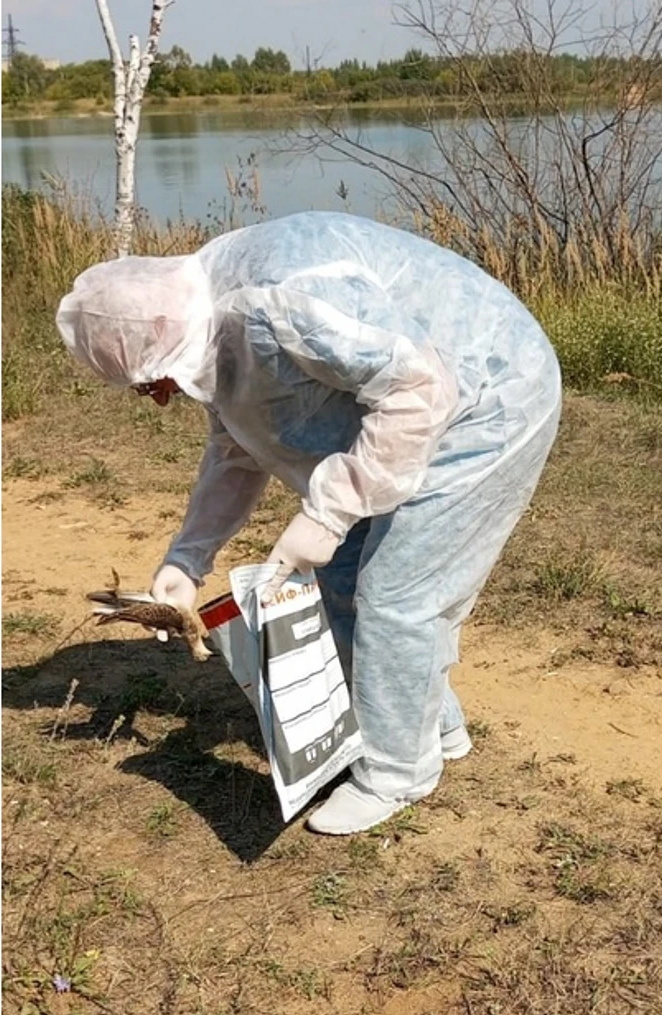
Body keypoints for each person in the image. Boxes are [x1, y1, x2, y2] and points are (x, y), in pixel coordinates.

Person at [56, 212, 563, 835]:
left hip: (489, 396)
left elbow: (419, 391)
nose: (157, 398)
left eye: (152, 382)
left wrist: (328, 512)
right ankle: (433, 727)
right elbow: (236, 446)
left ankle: (397, 773)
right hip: (407, 412)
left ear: (166, 340)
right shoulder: (211, 322)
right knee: (343, 585)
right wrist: (186, 560)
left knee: (398, 595)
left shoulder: (277, 303)